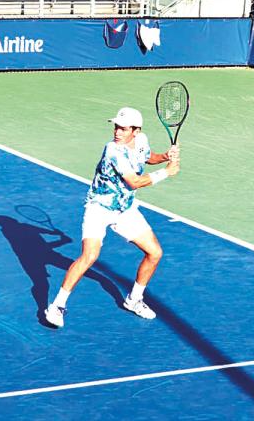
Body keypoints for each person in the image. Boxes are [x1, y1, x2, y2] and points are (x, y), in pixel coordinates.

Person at [44, 107, 180, 328]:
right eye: (116, 126)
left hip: (125, 209)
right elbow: (134, 182)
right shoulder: (112, 150)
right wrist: (167, 172)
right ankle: (57, 306)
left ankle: (134, 300)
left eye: (123, 128)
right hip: (99, 208)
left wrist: (165, 157)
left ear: (136, 131)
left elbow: (147, 157)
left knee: (155, 253)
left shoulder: (142, 140)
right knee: (90, 256)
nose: (117, 131)